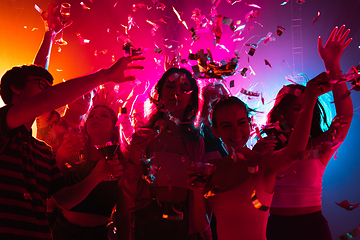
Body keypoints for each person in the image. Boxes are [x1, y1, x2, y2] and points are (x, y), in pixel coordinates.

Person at [0, 50, 144, 239]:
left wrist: (97, 175)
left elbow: (66, 200)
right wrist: (106, 75)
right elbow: (44, 101)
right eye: (42, 85)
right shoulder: (3, 127)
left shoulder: (43, 151)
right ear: (16, 88)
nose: (50, 91)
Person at [188, 72, 332, 240]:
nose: (236, 131)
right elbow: (201, 226)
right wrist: (197, 192)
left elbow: (293, 152)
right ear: (215, 131)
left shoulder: (264, 163)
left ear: (250, 123)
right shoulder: (212, 169)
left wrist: (310, 100)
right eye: (226, 125)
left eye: (241, 123)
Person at [263, 26, 353, 240]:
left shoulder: (319, 147)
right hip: (275, 228)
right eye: (298, 108)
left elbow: (345, 118)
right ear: (280, 113)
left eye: (310, 107)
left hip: (312, 228)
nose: (306, 112)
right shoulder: (264, 149)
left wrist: (333, 65)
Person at [122, 68, 205, 240]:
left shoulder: (196, 141)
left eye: (184, 89)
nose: (176, 93)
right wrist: (134, 157)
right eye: (170, 86)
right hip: (150, 219)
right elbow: (128, 189)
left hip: (186, 221)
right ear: (159, 94)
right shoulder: (145, 136)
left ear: (191, 99)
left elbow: (201, 190)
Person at [51, 104, 131, 240]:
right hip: (62, 231)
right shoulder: (72, 158)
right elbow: (50, 203)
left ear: (114, 128)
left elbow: (123, 216)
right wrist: (58, 160)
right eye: (92, 116)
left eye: (104, 115)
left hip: (98, 234)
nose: (96, 117)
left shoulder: (119, 164)